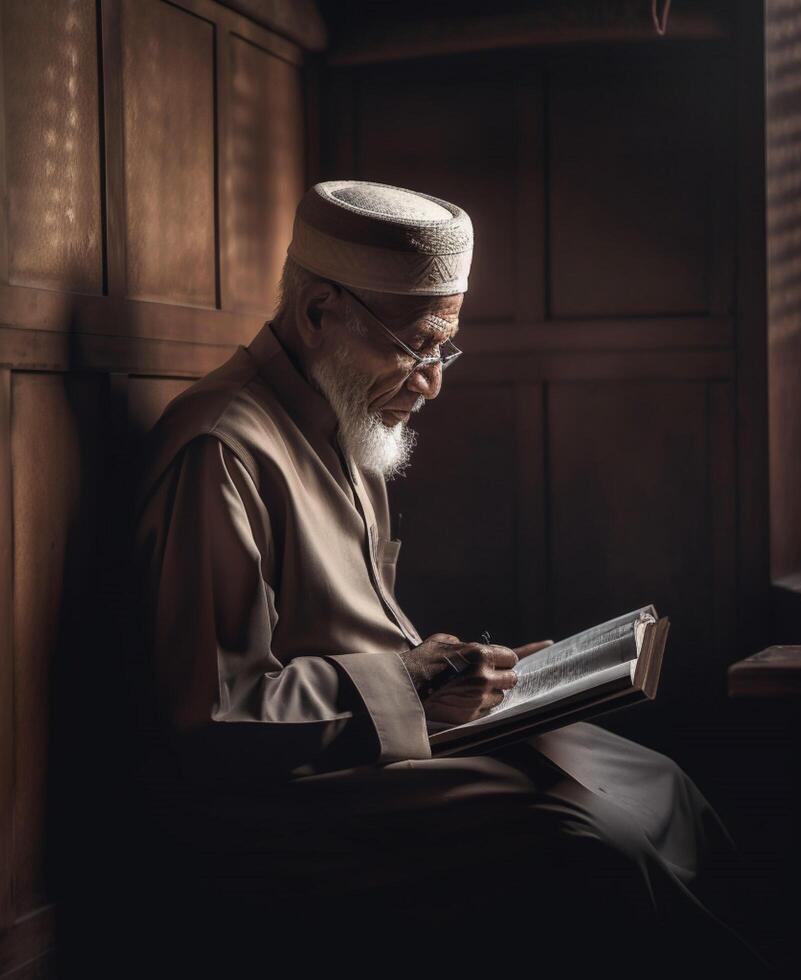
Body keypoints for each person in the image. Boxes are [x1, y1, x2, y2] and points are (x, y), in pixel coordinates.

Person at [130, 180, 768, 974]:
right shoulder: (223, 448)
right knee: (594, 841)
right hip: (283, 798)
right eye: (414, 345)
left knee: (657, 781)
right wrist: (412, 682)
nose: (431, 380)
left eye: (444, 347)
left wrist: (472, 677)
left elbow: (358, 634)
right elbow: (215, 714)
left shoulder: (339, 416)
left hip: (377, 742)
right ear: (318, 312)